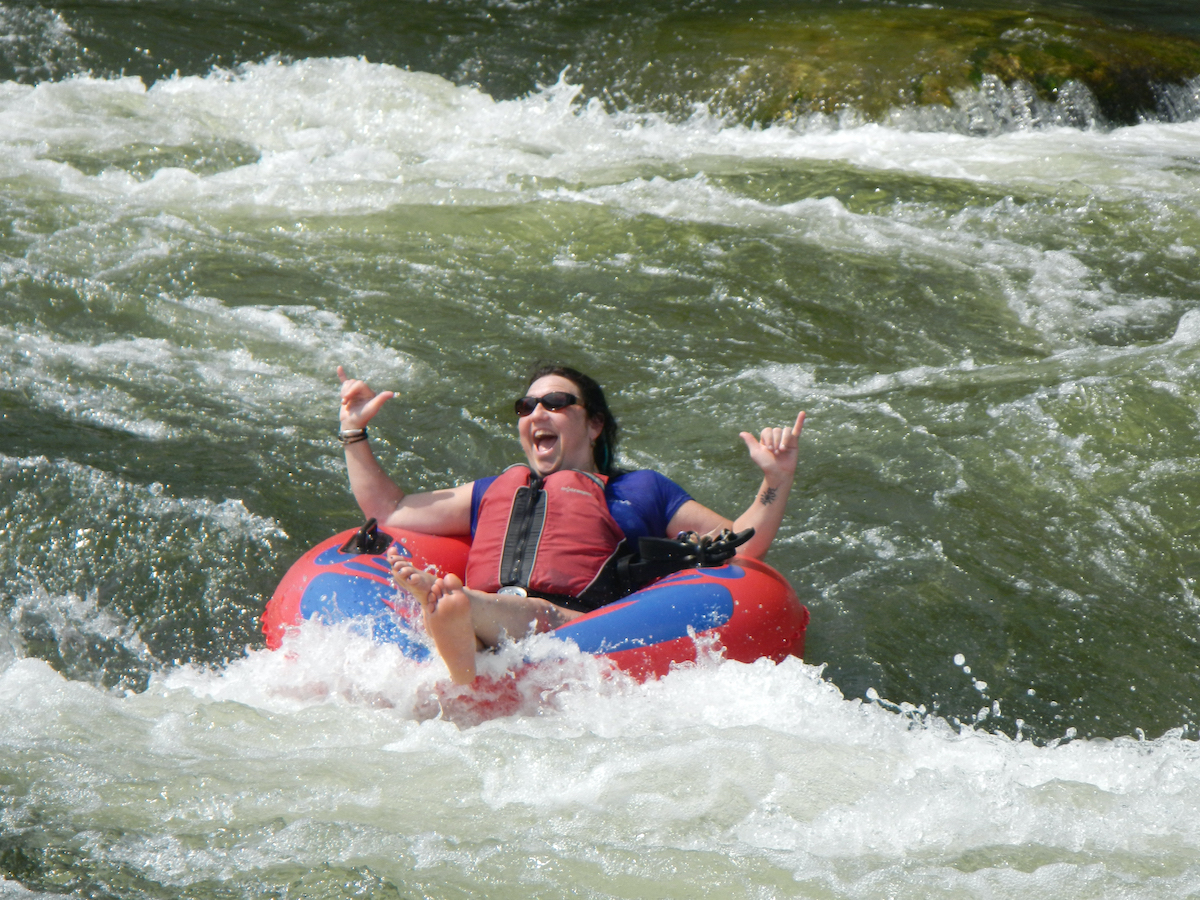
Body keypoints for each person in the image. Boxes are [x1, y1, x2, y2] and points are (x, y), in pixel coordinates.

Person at [337, 363, 805, 684]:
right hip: (497, 613)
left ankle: (458, 613)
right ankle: (461, 625)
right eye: (526, 407)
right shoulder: (488, 492)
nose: (537, 413)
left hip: (574, 627)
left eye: (556, 403)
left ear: (594, 424)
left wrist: (776, 478)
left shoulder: (639, 490)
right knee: (497, 610)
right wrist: (353, 431)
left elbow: (741, 547)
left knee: (537, 614)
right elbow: (390, 510)